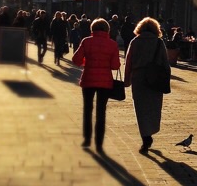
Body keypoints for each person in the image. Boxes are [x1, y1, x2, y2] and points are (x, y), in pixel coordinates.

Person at [72, 18, 121, 151]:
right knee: (101, 111)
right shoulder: (112, 44)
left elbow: (76, 59)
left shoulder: (86, 41)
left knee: (87, 110)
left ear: (92, 29)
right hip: (105, 81)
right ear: (107, 30)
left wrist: (86, 62)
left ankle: (87, 139)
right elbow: (115, 66)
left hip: (88, 79)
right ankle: (99, 142)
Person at [124, 16, 170, 155]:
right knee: (154, 107)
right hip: (155, 78)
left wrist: (127, 80)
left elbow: (129, 62)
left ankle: (146, 137)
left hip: (139, 78)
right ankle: (152, 129)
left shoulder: (135, 41)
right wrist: (166, 79)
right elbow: (165, 62)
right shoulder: (159, 42)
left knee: (141, 109)